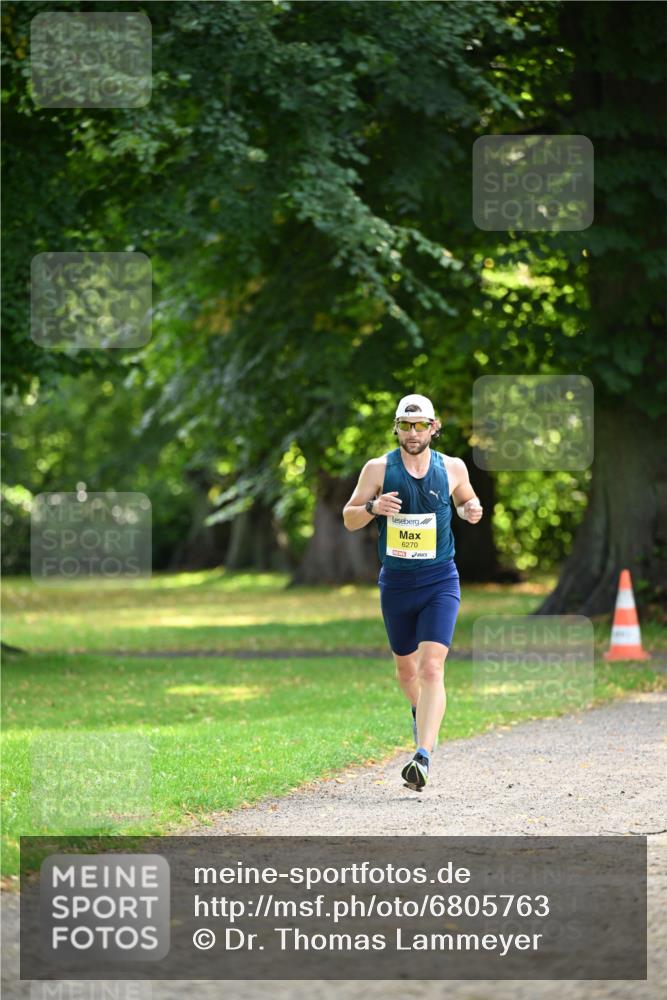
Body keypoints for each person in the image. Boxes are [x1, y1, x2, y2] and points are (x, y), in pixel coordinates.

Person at [342, 393, 483, 791]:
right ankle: (423, 716)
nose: (413, 432)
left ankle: (422, 756)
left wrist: (471, 510)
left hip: (440, 580)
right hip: (397, 583)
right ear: (397, 428)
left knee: (432, 667)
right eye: (406, 425)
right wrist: (372, 508)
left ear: (433, 428)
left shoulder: (452, 467)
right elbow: (349, 517)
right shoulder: (378, 469)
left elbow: (467, 501)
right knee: (406, 671)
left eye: (421, 425)